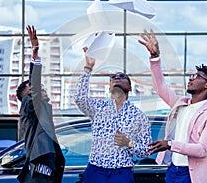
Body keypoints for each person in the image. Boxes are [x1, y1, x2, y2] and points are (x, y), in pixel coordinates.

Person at [138, 29, 207, 183]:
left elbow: (203, 150)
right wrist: (154, 57)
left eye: (197, 76)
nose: (191, 78)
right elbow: (160, 87)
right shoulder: (181, 104)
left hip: (191, 175)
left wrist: (170, 144)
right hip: (172, 170)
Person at [74, 47, 152, 183]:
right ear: (109, 88)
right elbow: (80, 99)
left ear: (130, 87)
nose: (116, 77)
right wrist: (88, 68)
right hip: (95, 170)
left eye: (122, 76)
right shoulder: (98, 108)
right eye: (113, 78)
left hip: (121, 172)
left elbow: (146, 150)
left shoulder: (139, 116)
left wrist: (129, 143)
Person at [16, 25, 65, 183]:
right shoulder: (28, 106)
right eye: (34, 89)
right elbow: (34, 90)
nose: (41, 88)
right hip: (39, 169)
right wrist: (35, 54)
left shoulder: (41, 112)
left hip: (46, 169)